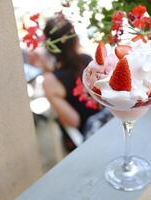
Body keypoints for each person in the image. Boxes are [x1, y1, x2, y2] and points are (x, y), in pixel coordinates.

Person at [41, 17, 110, 151]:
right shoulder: (87, 60)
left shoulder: (50, 81)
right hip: (111, 119)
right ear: (75, 40)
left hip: (93, 135)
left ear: (50, 48)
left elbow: (73, 120)